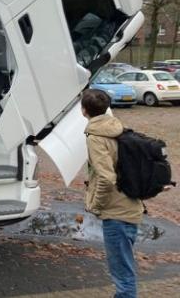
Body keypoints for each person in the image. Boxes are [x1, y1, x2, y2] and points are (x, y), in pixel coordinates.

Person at [82, 89, 144, 298]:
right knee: (125, 271)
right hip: (131, 207)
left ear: (84, 111)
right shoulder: (118, 128)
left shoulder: (96, 137)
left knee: (123, 277)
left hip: (116, 213)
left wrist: (96, 206)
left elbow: (106, 178)